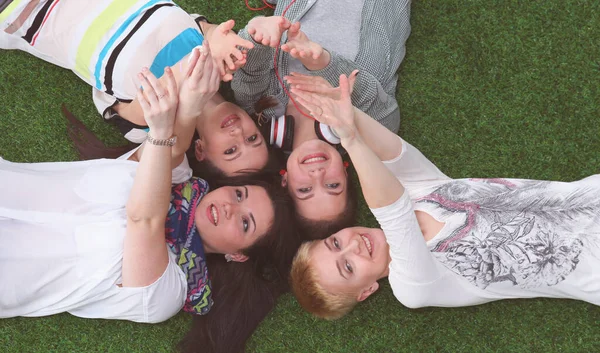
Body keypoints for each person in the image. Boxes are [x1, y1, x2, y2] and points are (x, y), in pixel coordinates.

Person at [0, 52, 298, 324]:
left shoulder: (168, 292)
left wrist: (159, 132)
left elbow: (144, 219)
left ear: (238, 255)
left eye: (245, 223)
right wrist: (189, 108)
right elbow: (173, 151)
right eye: (238, 194)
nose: (230, 208)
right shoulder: (177, 182)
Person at [289, 74, 600, 319]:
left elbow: (392, 152)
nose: (353, 246)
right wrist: (350, 139)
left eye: (335, 243)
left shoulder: (418, 191)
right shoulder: (412, 287)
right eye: (348, 267)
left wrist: (346, 112)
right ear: (366, 290)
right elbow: (392, 211)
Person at [226, 0, 411, 236]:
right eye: (333, 186)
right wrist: (322, 63)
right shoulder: (370, 134)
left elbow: (249, 70)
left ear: (285, 181)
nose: (317, 175)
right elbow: (379, 104)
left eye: (305, 189)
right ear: (345, 174)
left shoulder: (262, 113)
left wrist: (259, 35)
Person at [0, 0, 252, 143]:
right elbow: (203, 27)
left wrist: (193, 86)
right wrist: (216, 37)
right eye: (253, 139)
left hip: (28, 10)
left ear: (201, 150)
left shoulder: (150, 127)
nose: (238, 134)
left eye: (231, 150)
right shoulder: (216, 51)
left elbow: (140, 108)